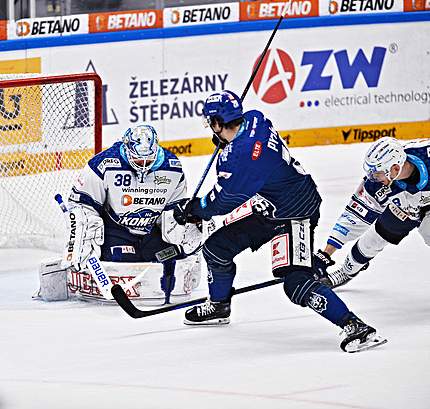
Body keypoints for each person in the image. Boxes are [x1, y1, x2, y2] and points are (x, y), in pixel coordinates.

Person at [173, 90, 385, 353]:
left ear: (217, 123)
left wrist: (196, 209)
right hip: (271, 204)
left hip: (296, 212)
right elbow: (243, 157)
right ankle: (219, 306)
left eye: (210, 123)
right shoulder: (255, 119)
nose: (210, 128)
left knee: (296, 283)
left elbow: (224, 201)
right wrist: (228, 144)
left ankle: (355, 326)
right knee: (217, 248)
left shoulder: (243, 161)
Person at [60, 124, 201, 303]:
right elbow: (82, 203)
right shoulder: (103, 164)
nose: (143, 166)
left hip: (151, 232)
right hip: (117, 230)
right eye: (138, 160)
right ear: (126, 149)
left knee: (173, 256)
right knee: (122, 263)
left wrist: (184, 228)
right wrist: (84, 239)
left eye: (148, 161)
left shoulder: (172, 167)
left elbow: (174, 210)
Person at [314, 137, 430, 289]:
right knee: (371, 241)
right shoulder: (377, 185)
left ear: (395, 169)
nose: (373, 177)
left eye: (378, 173)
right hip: (404, 207)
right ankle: (346, 271)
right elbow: (353, 217)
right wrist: (326, 254)